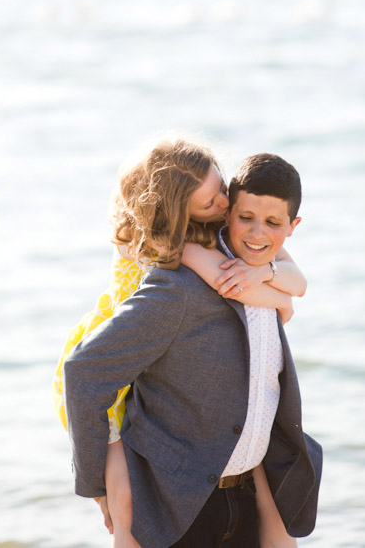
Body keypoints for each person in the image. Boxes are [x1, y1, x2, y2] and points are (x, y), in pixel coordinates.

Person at [52, 139, 304, 547]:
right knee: (121, 494)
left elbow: (294, 284)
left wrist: (275, 284)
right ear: (182, 212)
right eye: (213, 201)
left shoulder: (248, 251)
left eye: (223, 189)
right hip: (181, 510)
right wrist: (97, 479)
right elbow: (84, 372)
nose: (225, 204)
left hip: (244, 497)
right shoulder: (177, 283)